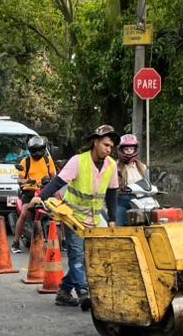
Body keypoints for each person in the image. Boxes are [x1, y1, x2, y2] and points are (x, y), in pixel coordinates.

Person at [31, 124, 119, 307]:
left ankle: (64, 292)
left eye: (111, 147)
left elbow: (112, 194)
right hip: (73, 217)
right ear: (95, 142)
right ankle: (83, 291)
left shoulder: (111, 165)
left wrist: (112, 219)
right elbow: (58, 182)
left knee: (92, 257)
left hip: (95, 219)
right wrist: (40, 197)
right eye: (106, 145)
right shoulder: (78, 161)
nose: (109, 149)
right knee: (77, 256)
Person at [11, 135, 56, 252]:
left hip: (46, 190)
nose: (37, 153)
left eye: (40, 150)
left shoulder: (48, 160)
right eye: (34, 151)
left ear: (44, 149)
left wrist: (50, 181)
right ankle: (15, 242)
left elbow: (54, 177)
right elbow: (19, 180)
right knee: (24, 213)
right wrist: (27, 181)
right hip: (30, 191)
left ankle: (63, 240)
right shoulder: (25, 162)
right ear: (30, 151)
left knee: (59, 211)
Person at [114, 134, 150, 226]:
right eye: (126, 149)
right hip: (122, 201)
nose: (129, 151)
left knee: (151, 222)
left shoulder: (142, 167)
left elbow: (148, 184)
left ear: (135, 149)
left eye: (131, 148)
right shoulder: (115, 167)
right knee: (118, 226)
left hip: (140, 201)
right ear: (121, 150)